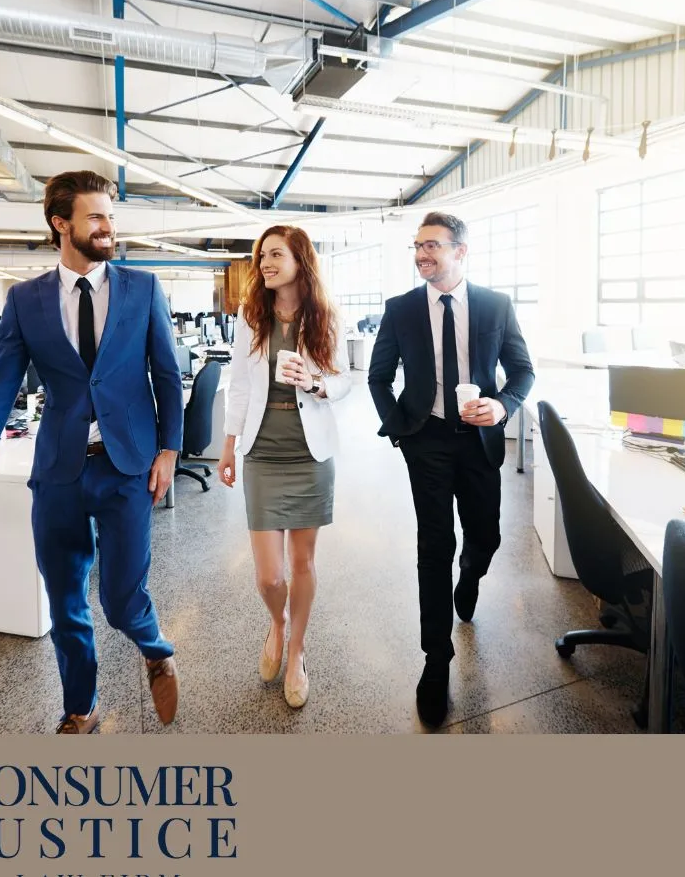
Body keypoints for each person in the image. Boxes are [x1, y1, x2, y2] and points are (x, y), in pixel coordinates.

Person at [0, 170, 183, 734]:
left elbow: (167, 373)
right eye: (96, 217)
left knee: (121, 601)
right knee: (67, 599)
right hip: (59, 473)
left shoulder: (142, 288)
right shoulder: (26, 301)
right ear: (61, 223)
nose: (108, 228)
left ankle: (154, 646)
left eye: (111, 217)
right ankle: (81, 707)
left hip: (128, 468)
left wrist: (169, 448)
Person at [368, 211, 535, 728]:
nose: (421, 254)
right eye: (416, 246)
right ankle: (435, 659)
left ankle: (472, 575)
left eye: (432, 245)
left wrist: (502, 406)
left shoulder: (495, 305)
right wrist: (402, 430)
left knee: (485, 538)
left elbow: (523, 371)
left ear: (460, 251)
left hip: (480, 439)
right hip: (428, 441)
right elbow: (379, 377)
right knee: (434, 545)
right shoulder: (400, 309)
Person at [217, 225, 351, 709]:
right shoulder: (250, 317)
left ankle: (296, 652)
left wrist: (316, 383)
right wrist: (229, 445)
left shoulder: (324, 317)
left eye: (275, 254)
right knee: (270, 577)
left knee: (302, 563)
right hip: (263, 453)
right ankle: (277, 622)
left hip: (308, 453)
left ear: (300, 260)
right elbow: (240, 386)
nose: (265, 263)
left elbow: (342, 381)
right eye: (261, 256)